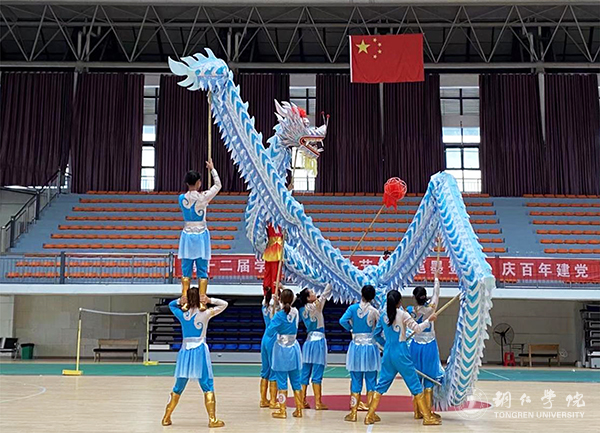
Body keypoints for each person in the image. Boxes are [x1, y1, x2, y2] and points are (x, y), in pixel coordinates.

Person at [365, 290, 441, 426]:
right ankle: (427, 417)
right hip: (401, 354)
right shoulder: (403, 314)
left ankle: (369, 415)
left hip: (388, 354)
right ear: (399, 302)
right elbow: (417, 329)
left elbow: (376, 335)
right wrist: (429, 320)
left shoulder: (383, 315)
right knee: (415, 385)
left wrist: (386, 345)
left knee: (382, 384)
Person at [162, 286, 228, 428]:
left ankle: (166, 417)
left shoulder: (182, 314)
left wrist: (180, 300)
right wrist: (209, 300)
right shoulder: (205, 314)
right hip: (200, 351)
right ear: (199, 298)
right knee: (207, 384)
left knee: (178, 386)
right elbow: (224, 304)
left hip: (185, 352)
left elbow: (171, 305)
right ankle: (212, 419)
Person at [178, 160, 222, 310]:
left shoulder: (181, 199)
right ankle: (202, 301)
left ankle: (185, 300)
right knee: (202, 270)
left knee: (186, 270)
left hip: (187, 235)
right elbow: (218, 186)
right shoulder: (203, 197)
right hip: (201, 235)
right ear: (198, 183)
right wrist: (212, 170)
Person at [338, 284, 381, 422]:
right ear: (373, 297)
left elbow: (342, 321)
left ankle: (353, 413)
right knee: (371, 381)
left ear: (361, 294)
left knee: (356, 380)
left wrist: (351, 329)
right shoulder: (374, 311)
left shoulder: (352, 308)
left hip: (356, 346)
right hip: (370, 347)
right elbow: (380, 328)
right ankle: (371, 413)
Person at [408, 279, 444, 419]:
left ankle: (417, 411)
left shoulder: (410, 311)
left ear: (414, 297)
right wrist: (436, 278)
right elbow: (436, 293)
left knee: (417, 379)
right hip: (429, 345)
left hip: (415, 346)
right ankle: (428, 412)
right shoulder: (431, 308)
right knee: (429, 378)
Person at [265, 288, 304, 419]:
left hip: (281, 349)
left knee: (281, 381)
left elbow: (269, 331)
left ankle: (282, 410)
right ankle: (299, 409)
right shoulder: (296, 312)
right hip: (294, 347)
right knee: (296, 380)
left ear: (281, 300)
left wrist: (273, 317)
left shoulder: (279, 315)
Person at [295, 284, 332, 410]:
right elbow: (326, 293)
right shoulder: (317, 305)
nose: (314, 293)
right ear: (308, 298)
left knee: (305, 372)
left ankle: (301, 400)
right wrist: (330, 281)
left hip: (308, 341)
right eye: (311, 292)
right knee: (317, 372)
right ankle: (318, 402)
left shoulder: (301, 309)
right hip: (319, 341)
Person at [259, 285, 280, 409]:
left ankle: (263, 399)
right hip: (273, 338)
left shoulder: (264, 306)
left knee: (265, 370)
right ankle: (272, 401)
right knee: (274, 369)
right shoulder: (275, 308)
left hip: (265, 336)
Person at [262, 223, 284, 296]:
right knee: (270, 274)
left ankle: (273, 293)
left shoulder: (281, 222)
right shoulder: (268, 222)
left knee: (274, 275)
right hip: (273, 247)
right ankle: (270, 294)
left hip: (277, 248)